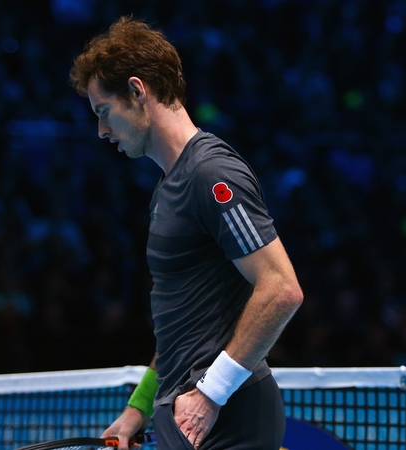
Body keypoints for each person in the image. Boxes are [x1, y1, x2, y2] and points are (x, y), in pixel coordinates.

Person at [69, 17, 303, 450]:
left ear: (138, 92)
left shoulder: (211, 174)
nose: (101, 130)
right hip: (190, 414)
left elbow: (282, 288)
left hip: (225, 417)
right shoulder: (168, 187)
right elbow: (181, 325)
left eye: (104, 112)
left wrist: (211, 393)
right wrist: (137, 409)